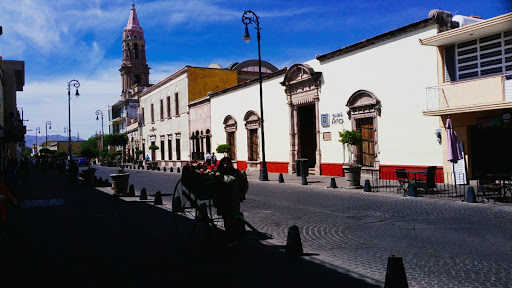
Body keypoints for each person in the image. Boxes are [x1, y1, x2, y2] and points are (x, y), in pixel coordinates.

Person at [214, 157, 248, 245]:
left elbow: (245, 182)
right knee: (226, 218)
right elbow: (215, 187)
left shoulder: (237, 173)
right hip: (223, 200)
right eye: (224, 164)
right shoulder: (219, 174)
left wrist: (242, 194)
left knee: (233, 218)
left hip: (234, 199)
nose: (225, 165)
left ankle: (234, 237)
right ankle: (229, 236)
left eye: (227, 163)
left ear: (230, 164)